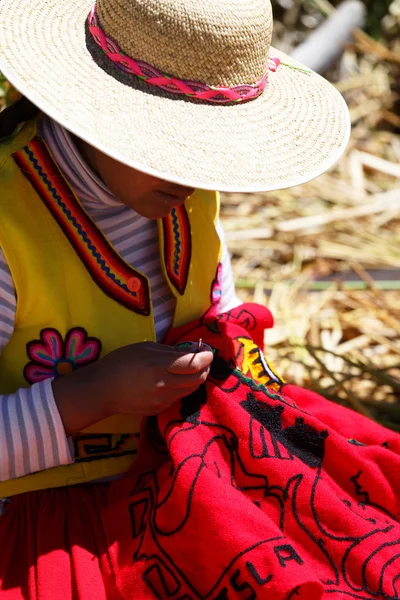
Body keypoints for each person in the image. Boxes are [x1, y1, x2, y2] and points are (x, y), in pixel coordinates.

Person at [0, 0, 375, 597]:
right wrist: (90, 397)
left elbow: (213, 304)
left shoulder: (187, 197)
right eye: (173, 143)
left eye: (208, 147)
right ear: (93, 106)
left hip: (182, 482)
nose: (192, 173)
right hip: (45, 524)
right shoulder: (8, 228)